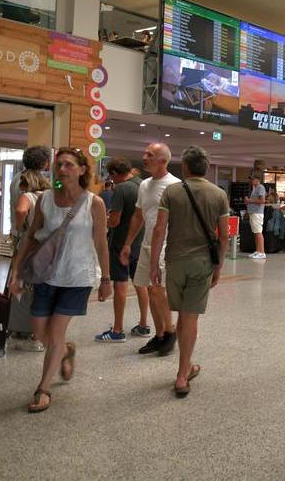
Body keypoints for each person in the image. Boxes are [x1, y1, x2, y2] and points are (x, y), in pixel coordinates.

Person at [8, 147, 111, 412]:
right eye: (59, 165)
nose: (62, 169)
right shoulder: (45, 200)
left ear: (82, 169)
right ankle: (66, 351)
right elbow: (31, 237)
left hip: (78, 276)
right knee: (40, 333)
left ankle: (43, 388)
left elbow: (101, 243)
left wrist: (107, 278)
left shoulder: (94, 203)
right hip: (45, 275)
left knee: (54, 333)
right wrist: (17, 272)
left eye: (68, 165)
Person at [150, 146, 229, 397]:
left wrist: (154, 263)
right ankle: (183, 375)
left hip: (175, 261)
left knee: (183, 316)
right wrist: (219, 265)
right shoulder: (218, 194)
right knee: (189, 316)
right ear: (205, 168)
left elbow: (159, 229)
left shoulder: (172, 192)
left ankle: (186, 366)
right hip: (202, 263)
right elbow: (224, 236)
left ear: (185, 167)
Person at [120, 143, 181, 356]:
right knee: (147, 288)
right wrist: (128, 243)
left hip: (166, 246)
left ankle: (170, 331)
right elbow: (138, 216)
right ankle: (160, 334)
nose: (144, 157)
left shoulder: (175, 185)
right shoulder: (144, 185)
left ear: (163, 161)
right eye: (144, 153)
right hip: (146, 244)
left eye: (150, 155)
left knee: (157, 290)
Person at [94, 157, 150, 342]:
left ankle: (117, 330)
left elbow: (115, 220)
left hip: (121, 244)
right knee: (141, 284)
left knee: (120, 284)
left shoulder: (121, 189)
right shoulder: (142, 185)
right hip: (140, 242)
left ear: (115, 174)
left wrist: (105, 220)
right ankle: (143, 325)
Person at [8, 146, 51, 352]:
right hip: (33, 242)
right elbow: (22, 209)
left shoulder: (17, 178)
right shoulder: (38, 184)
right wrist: (23, 226)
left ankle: (17, 326)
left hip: (19, 239)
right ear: (45, 163)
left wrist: (18, 228)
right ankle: (34, 329)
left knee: (18, 281)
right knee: (33, 285)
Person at [245, 173, 267, 259]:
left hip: (257, 213)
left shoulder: (260, 187)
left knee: (258, 232)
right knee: (255, 232)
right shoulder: (255, 188)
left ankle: (262, 252)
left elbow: (262, 201)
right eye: (251, 179)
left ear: (258, 179)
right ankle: (258, 251)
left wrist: (249, 200)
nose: (251, 180)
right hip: (253, 212)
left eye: (253, 179)